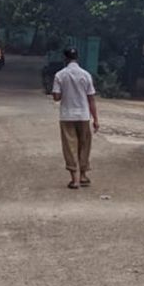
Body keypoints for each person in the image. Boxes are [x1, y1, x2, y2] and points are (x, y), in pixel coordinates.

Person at [52, 47, 99, 189]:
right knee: (84, 145)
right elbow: (91, 99)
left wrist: (65, 93)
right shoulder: (86, 75)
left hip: (67, 115)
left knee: (70, 146)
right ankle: (84, 175)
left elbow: (56, 97)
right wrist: (96, 119)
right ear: (77, 58)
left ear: (65, 58)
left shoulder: (60, 75)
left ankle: (75, 179)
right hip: (84, 115)